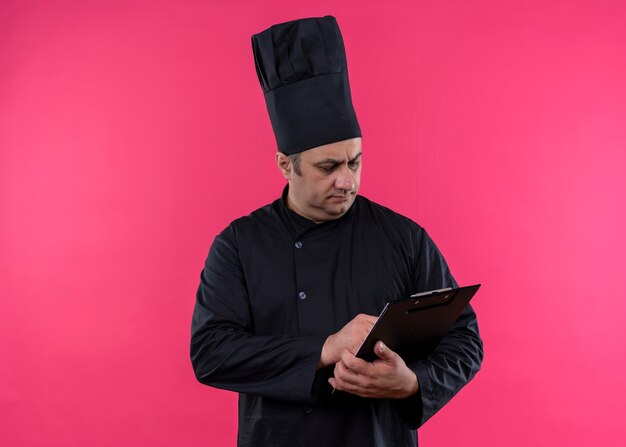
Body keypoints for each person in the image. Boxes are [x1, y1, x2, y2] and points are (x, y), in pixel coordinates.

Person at [190, 16, 483, 447]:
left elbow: (464, 340)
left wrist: (412, 382)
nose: (347, 181)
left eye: (355, 161)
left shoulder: (404, 239)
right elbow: (211, 353)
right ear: (286, 165)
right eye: (328, 167)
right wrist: (324, 348)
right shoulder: (238, 245)